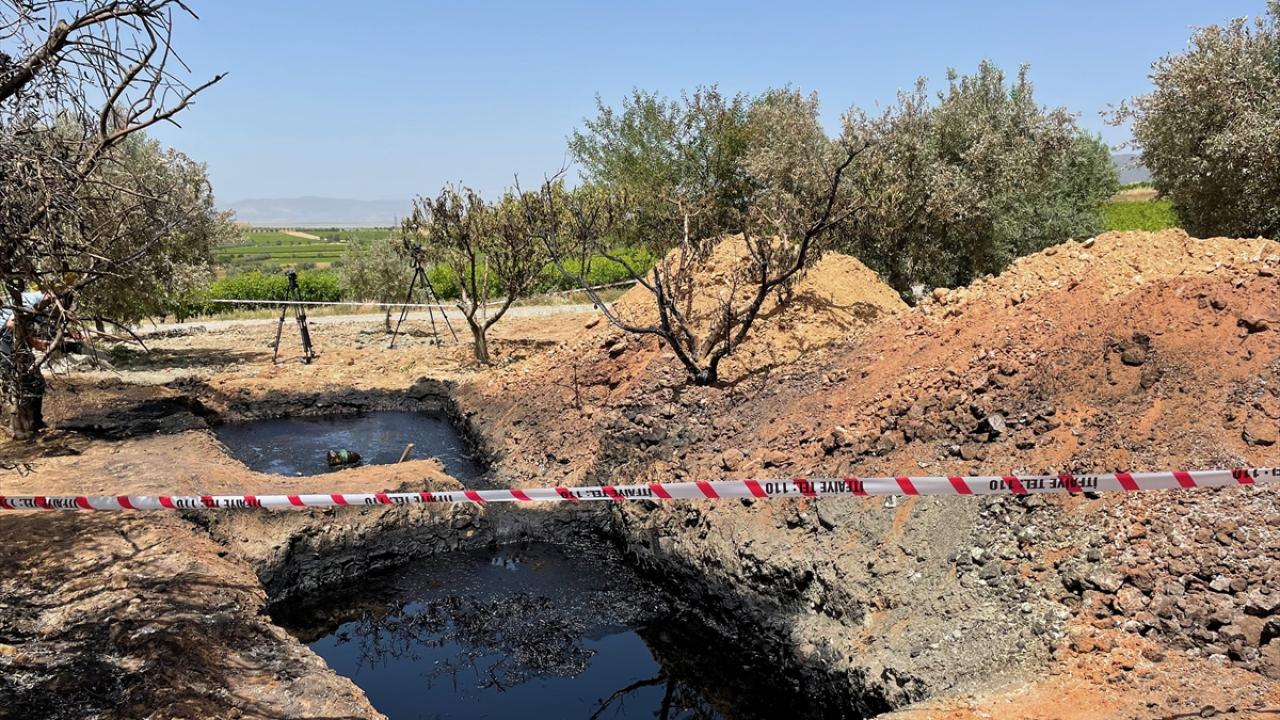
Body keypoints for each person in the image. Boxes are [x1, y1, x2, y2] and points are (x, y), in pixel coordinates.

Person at [0, 290, 53, 432]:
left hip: (13, 342)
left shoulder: (38, 303)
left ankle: (33, 423)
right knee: (16, 383)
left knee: (33, 382)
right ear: (49, 294)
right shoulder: (30, 301)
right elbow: (12, 324)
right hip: (4, 341)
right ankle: (18, 426)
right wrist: (34, 342)